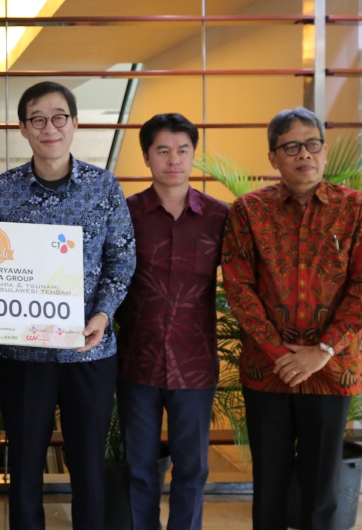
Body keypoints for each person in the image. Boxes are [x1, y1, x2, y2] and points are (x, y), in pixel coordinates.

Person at [0, 81, 135, 529]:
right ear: (23, 128)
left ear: (75, 123)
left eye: (58, 117)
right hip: (23, 353)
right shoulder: (3, 191)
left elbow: (122, 258)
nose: (49, 128)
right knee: (25, 463)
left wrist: (102, 315)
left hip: (89, 350)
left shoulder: (103, 186)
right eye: (38, 119)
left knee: (88, 462)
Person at [222, 107, 362, 529]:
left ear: (324, 151)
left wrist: (322, 351)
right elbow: (239, 288)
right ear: (273, 157)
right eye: (291, 147)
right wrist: (281, 354)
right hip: (268, 369)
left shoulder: (357, 209)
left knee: (321, 492)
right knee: (269, 486)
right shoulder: (248, 211)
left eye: (312, 144)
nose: (304, 154)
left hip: (332, 369)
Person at [115, 114, 228, 530]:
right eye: (163, 150)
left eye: (183, 150)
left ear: (193, 154)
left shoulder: (219, 216)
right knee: (139, 467)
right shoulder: (125, 213)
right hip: (137, 362)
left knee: (192, 468)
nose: (174, 160)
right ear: (147, 156)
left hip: (194, 362)